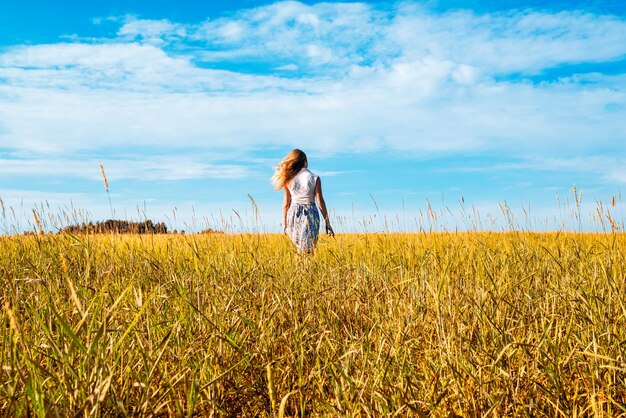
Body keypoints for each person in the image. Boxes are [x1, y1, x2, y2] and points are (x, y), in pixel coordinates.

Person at [272, 149, 334, 252]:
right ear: (304, 161)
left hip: (293, 213)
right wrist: (327, 222)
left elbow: (286, 204)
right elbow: (320, 202)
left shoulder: (288, 179)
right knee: (309, 250)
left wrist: (285, 223)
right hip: (310, 212)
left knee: (299, 249)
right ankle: (307, 267)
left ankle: (299, 267)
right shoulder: (315, 178)